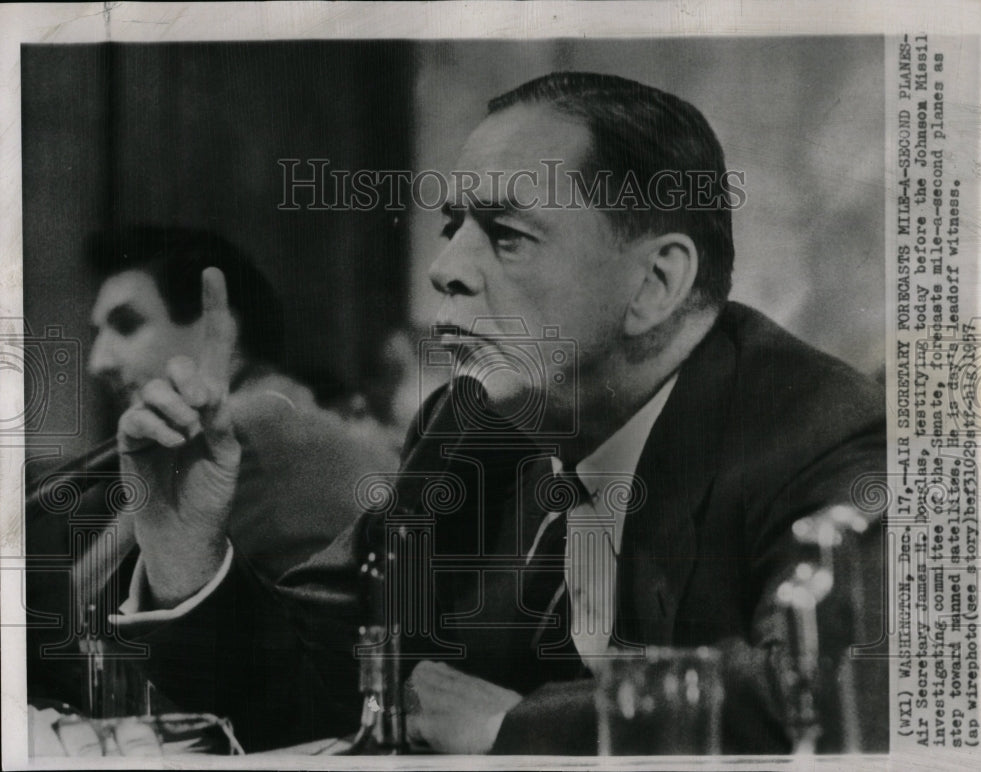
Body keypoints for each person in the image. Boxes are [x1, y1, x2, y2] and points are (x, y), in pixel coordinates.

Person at [106, 74, 887, 754]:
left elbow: (858, 694)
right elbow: (336, 674)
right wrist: (186, 559)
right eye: (452, 229)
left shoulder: (826, 433)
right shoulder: (465, 430)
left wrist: (516, 730)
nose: (444, 271)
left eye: (507, 235)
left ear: (656, 282)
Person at [26, 226, 397, 712]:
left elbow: (74, 619)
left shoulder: (250, 424)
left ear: (214, 328)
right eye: (98, 334)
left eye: (127, 325)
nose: (98, 361)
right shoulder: (284, 403)